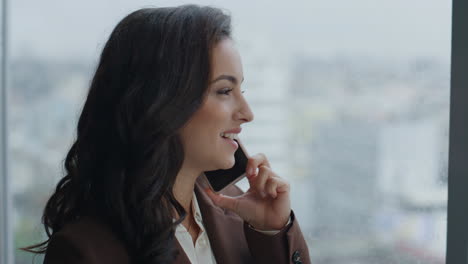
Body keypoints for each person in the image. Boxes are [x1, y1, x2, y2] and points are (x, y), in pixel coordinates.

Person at [22, 4, 311, 264]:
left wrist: (272, 231)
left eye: (241, 90)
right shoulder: (86, 251)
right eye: (224, 91)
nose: (247, 113)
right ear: (161, 103)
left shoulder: (242, 212)